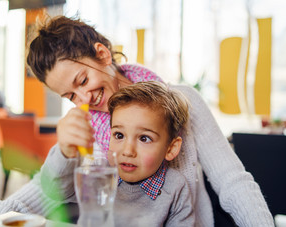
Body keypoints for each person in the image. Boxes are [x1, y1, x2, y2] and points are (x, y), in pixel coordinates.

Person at [0, 15, 274, 226]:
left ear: (102, 54)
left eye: (83, 80)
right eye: (71, 96)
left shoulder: (182, 102)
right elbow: (48, 189)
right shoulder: (88, 127)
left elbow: (232, 181)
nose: (83, 100)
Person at [41, 81, 194, 226]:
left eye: (144, 138)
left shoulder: (176, 188)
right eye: (119, 135)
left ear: (171, 148)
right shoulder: (99, 175)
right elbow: (55, 190)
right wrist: (65, 152)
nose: (127, 151)